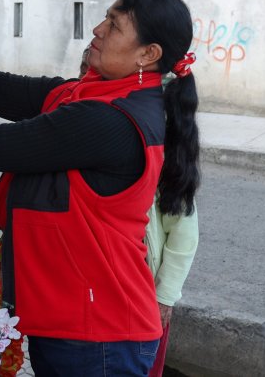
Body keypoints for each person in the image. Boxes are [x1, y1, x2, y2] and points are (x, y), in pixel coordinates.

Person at [0, 0, 201, 377]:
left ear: (148, 53)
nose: (98, 30)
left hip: (99, 335)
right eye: (106, 18)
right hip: (80, 325)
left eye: (115, 26)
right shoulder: (88, 95)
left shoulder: (109, 120)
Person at [79, 49, 200, 377]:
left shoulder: (152, 150)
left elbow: (184, 233)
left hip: (140, 297)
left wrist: (164, 298)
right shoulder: (78, 135)